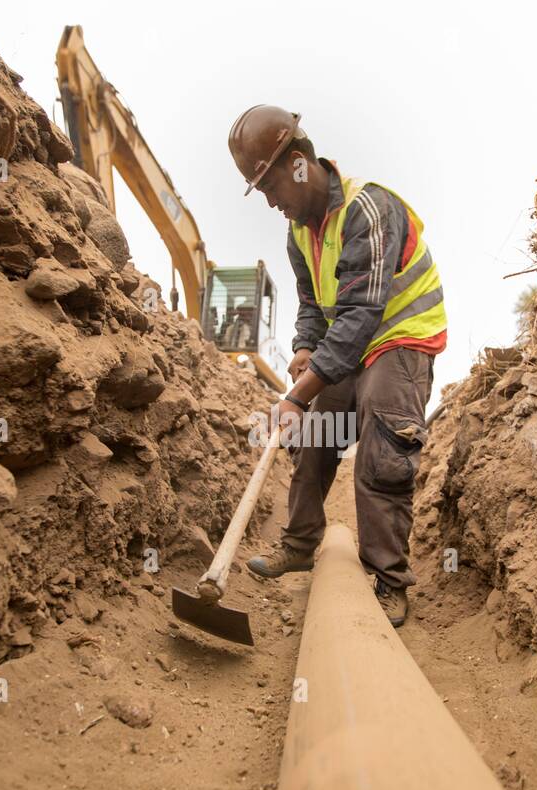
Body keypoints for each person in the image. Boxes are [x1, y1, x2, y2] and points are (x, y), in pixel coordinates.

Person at [227, 105, 447, 627]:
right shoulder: (299, 232)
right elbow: (313, 306)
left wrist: (295, 394)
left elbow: (359, 317)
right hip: (352, 339)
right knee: (320, 428)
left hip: (400, 336)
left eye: (271, 189)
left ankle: (390, 579)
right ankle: (301, 543)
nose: (274, 203)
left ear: (299, 164)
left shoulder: (368, 209)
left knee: (381, 441)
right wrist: (305, 347)